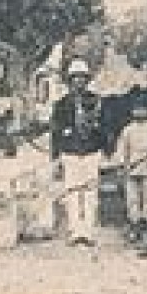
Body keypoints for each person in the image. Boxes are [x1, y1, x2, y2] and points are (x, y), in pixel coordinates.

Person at [49, 59, 107, 245]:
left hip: (91, 152)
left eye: (82, 78)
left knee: (90, 193)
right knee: (72, 192)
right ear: (70, 80)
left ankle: (88, 232)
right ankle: (75, 232)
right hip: (70, 152)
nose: (79, 81)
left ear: (87, 80)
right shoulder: (61, 105)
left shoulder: (96, 101)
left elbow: (105, 129)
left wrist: (105, 151)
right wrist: (56, 156)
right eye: (75, 78)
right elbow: (55, 132)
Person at [115, 103, 147, 245]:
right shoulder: (128, 130)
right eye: (137, 110)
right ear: (133, 112)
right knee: (132, 200)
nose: (139, 112)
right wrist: (123, 165)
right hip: (132, 169)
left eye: (142, 110)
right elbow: (122, 150)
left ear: (146, 112)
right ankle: (134, 228)